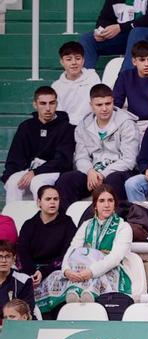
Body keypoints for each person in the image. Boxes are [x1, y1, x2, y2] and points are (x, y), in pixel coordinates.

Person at [34, 187, 132, 315]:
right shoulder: (86, 224)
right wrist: (66, 270)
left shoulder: (123, 227)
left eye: (110, 200)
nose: (106, 205)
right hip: (81, 270)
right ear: (95, 205)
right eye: (101, 201)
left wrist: (91, 272)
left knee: (97, 276)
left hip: (109, 269)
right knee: (55, 277)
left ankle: (81, 294)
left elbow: (115, 258)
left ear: (115, 204)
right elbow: (72, 250)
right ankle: (71, 298)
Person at [55, 84, 141, 206]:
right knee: (66, 180)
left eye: (108, 103)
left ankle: (116, 220)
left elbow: (129, 160)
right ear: (91, 105)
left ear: (113, 102)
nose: (104, 108)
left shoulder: (126, 123)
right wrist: (90, 171)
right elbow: (81, 156)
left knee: (113, 181)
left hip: (119, 172)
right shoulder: (84, 125)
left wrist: (103, 174)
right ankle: (66, 222)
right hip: (93, 173)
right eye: (99, 105)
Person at [3, 87, 74, 204]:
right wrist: (8, 177)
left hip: (54, 172)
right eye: (43, 103)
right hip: (29, 171)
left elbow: (63, 161)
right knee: (13, 182)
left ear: (56, 104)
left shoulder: (67, 128)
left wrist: (36, 172)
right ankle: (12, 221)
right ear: (35, 105)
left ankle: (42, 221)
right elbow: (15, 157)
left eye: (51, 103)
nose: (48, 108)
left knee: (37, 182)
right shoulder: (26, 127)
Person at [79, 0, 148, 71]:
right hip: (129, 36)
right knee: (88, 39)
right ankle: (84, 83)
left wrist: (121, 27)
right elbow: (105, 17)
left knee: (137, 32)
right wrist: (100, 30)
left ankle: (125, 82)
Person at [16, 187, 75, 285]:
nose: (52, 202)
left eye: (56, 199)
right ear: (39, 202)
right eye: (48, 199)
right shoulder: (29, 224)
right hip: (30, 271)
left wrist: (44, 272)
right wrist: (32, 272)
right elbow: (22, 251)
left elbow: (67, 254)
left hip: (55, 270)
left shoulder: (68, 224)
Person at [52, 42, 102, 127]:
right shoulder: (56, 86)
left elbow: (98, 104)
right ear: (62, 62)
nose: (74, 62)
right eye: (69, 59)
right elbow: (58, 114)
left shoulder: (92, 77)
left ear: (83, 60)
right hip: (66, 129)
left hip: (90, 127)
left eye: (78, 58)